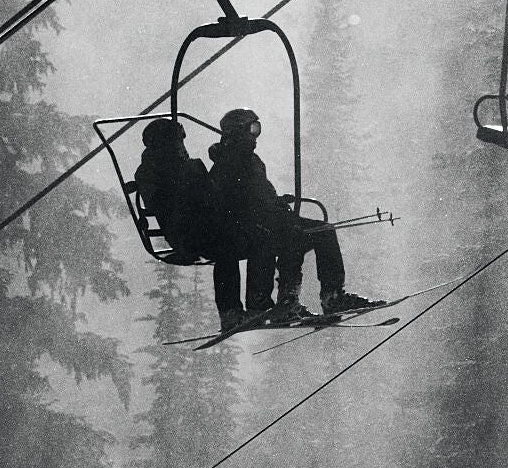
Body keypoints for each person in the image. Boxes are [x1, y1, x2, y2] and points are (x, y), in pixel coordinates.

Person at [207, 107, 378, 326]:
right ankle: (283, 301)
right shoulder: (228, 165)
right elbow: (236, 205)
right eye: (252, 129)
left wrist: (276, 203)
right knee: (291, 235)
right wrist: (271, 207)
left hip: (268, 220)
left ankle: (330, 296)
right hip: (251, 228)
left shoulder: (251, 161)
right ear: (238, 132)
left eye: (257, 129)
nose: (255, 136)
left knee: (323, 230)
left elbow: (259, 196)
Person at [134, 117, 273, 328]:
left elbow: (209, 198)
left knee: (251, 237)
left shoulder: (165, 169)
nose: (182, 147)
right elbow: (197, 201)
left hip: (199, 230)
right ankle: (239, 308)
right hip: (191, 234)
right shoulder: (167, 170)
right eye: (178, 141)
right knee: (236, 243)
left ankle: (248, 306)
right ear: (166, 143)